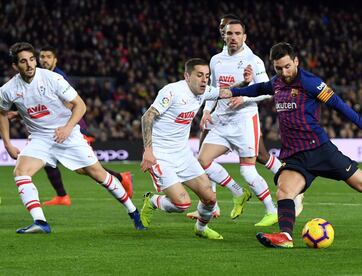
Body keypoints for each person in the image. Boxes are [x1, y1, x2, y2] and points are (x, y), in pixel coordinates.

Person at [220, 42, 362, 248]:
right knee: (284, 190)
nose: (283, 72)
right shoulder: (277, 82)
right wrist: (234, 92)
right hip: (294, 155)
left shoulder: (311, 83)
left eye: (287, 66)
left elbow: (338, 104)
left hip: (319, 149)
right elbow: (261, 87)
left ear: (296, 61)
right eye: (278, 68)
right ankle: (285, 236)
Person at [0, 42, 144, 233]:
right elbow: (2, 113)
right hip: (40, 138)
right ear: (15, 66)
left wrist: (67, 128)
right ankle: (41, 223)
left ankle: (133, 211)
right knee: (20, 172)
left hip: (68, 135)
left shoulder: (53, 78)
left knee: (98, 174)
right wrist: (8, 143)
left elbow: (80, 105)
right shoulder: (8, 89)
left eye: (32, 60)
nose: (30, 65)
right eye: (23, 61)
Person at [186, 16, 304, 222]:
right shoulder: (216, 60)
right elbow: (214, 89)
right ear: (223, 35)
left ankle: (272, 209)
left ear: (244, 36)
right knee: (202, 161)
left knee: (249, 169)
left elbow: (269, 91)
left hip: (243, 121)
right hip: (221, 121)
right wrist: (206, 110)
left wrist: (244, 96)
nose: (233, 37)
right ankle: (237, 193)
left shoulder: (253, 60)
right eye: (229, 33)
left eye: (237, 33)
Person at [37, 46, 134, 205]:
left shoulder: (58, 77)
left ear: (55, 60)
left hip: (72, 127)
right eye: (42, 56)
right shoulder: (42, 77)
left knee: (85, 168)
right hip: (57, 126)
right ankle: (62, 196)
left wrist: (59, 123)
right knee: (48, 159)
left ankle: (121, 178)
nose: (45, 60)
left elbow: (70, 103)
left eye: (48, 56)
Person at [139, 58, 223, 239]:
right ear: (187, 76)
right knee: (182, 204)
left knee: (210, 198)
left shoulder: (205, 91)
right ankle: (152, 201)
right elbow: (147, 117)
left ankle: (200, 229)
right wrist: (148, 151)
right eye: (199, 75)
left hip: (183, 154)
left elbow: (226, 92)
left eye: (207, 76)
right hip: (161, 156)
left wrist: (246, 83)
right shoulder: (172, 91)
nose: (204, 80)